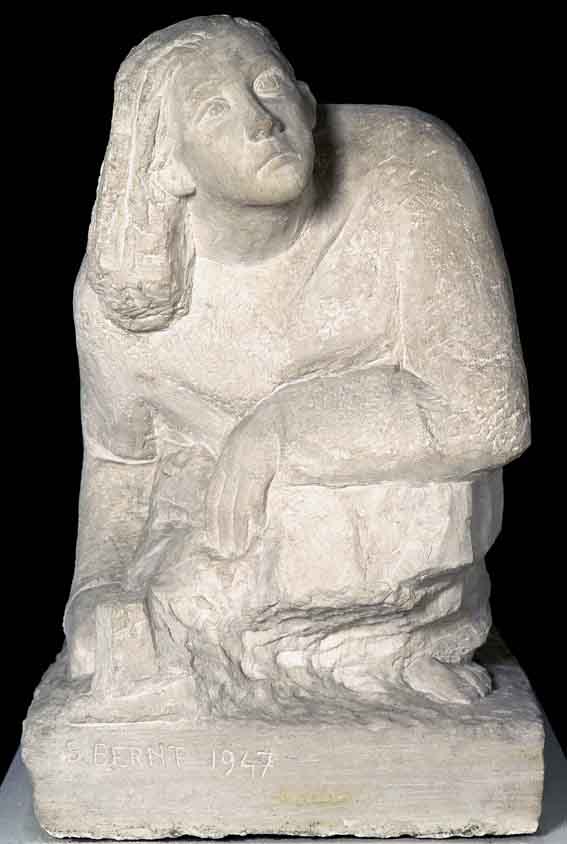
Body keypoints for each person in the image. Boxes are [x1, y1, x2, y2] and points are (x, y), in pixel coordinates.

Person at [64, 15, 529, 714]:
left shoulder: (411, 167)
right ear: (167, 164)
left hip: (381, 517)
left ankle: (368, 652)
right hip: (205, 525)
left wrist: (282, 427)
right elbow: (122, 464)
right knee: (150, 611)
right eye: (214, 109)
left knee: (421, 505)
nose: (262, 122)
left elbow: (489, 415)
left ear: (307, 102)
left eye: (269, 84)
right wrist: (95, 591)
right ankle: (212, 647)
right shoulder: (128, 295)